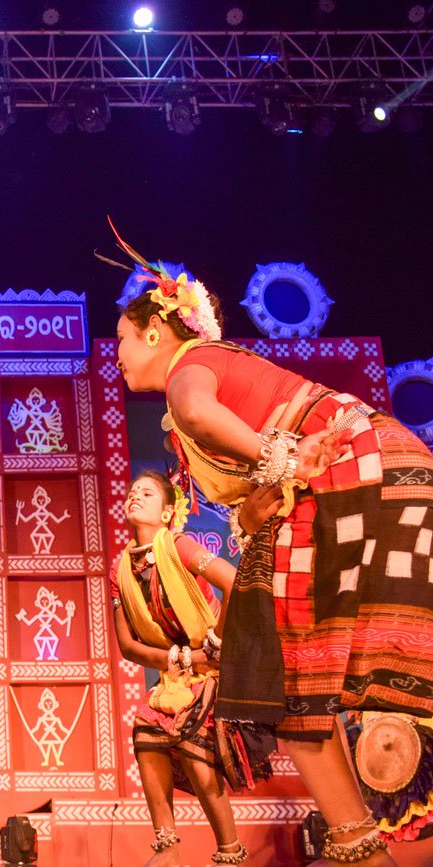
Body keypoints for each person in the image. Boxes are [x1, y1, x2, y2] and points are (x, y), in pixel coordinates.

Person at [108, 223, 433, 867]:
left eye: (121, 338)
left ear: (155, 331)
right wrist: (273, 481)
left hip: (349, 471)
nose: (116, 353)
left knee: (285, 678)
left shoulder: (188, 370)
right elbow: (257, 503)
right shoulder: (212, 377)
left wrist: (281, 461)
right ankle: (368, 841)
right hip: (393, 467)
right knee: (342, 672)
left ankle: (360, 847)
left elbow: (204, 416)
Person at [110, 471, 247, 866]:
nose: (135, 496)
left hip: (217, 669)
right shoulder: (121, 571)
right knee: (146, 734)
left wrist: (214, 646)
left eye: (147, 493)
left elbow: (235, 583)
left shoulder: (180, 546)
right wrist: (180, 659)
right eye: (133, 491)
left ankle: (230, 852)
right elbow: (128, 647)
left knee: (192, 746)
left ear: (168, 511)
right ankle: (167, 846)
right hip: (178, 671)